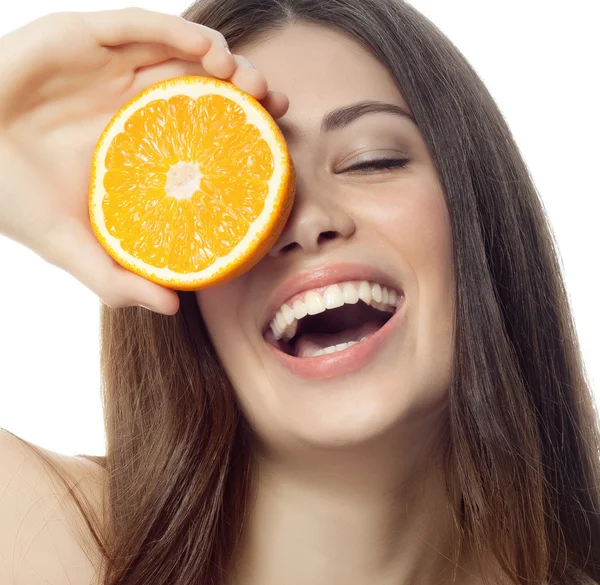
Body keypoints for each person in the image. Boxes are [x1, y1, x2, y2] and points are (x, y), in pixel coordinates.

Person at [0, 1, 598, 584]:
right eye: (243, 194)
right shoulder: (44, 539)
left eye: (371, 160)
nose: (305, 222)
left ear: (479, 209)